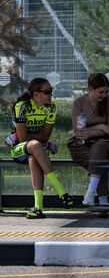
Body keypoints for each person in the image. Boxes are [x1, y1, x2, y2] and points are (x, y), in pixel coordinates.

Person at [8, 78, 75, 218]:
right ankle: (62, 192)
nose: (51, 94)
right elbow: (22, 138)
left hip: (36, 150)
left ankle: (38, 207)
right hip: (18, 149)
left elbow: (46, 136)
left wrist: (34, 136)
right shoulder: (22, 106)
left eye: (51, 91)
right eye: (47, 92)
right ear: (36, 94)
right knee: (36, 145)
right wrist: (37, 137)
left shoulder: (51, 107)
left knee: (34, 157)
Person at [68, 73, 109, 207]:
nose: (104, 95)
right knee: (100, 161)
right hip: (81, 146)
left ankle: (90, 192)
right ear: (90, 89)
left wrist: (91, 131)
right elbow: (79, 132)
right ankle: (103, 202)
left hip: (105, 143)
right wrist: (101, 126)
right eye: (101, 92)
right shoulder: (79, 103)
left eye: (107, 91)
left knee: (99, 147)